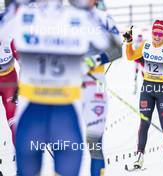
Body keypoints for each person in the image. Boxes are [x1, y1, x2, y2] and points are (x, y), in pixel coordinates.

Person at [0, 0, 114, 175]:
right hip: (60, 111)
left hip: (44, 109)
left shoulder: (22, 17)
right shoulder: (77, 17)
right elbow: (112, 45)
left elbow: (114, 47)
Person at [123, 20, 163, 170]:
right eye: (155, 33)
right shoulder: (145, 45)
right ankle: (139, 156)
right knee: (144, 124)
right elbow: (130, 57)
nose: (157, 36)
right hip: (147, 90)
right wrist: (129, 43)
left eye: (160, 34)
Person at [81, 0, 122, 175]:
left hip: (95, 83)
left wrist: (94, 60)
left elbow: (118, 50)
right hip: (69, 84)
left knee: (94, 141)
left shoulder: (104, 18)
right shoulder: (65, 17)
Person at [0, 39, 18, 144]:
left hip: (9, 81)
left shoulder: (10, 37)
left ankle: (22, 154)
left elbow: (25, 64)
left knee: (14, 120)